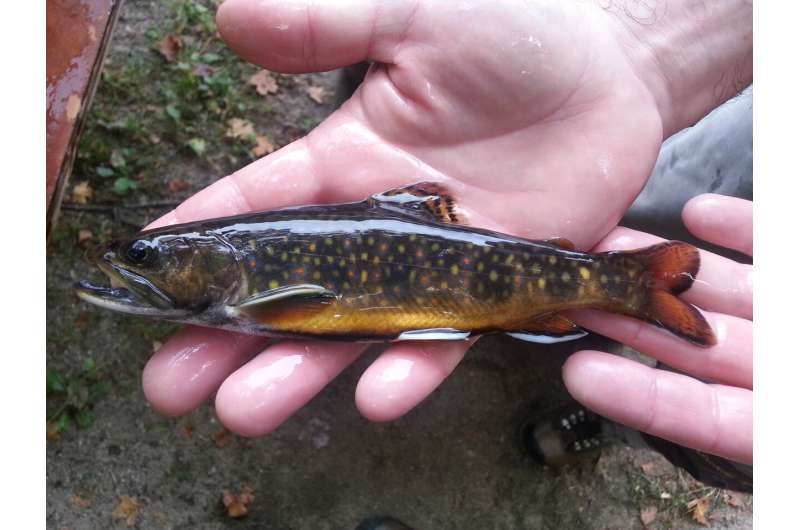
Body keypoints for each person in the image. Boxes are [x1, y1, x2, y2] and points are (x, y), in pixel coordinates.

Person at [141, 0, 753, 479]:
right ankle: (596, 312)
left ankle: (614, 303)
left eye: (145, 259)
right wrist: (633, 52)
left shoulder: (253, 290)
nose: (138, 267)